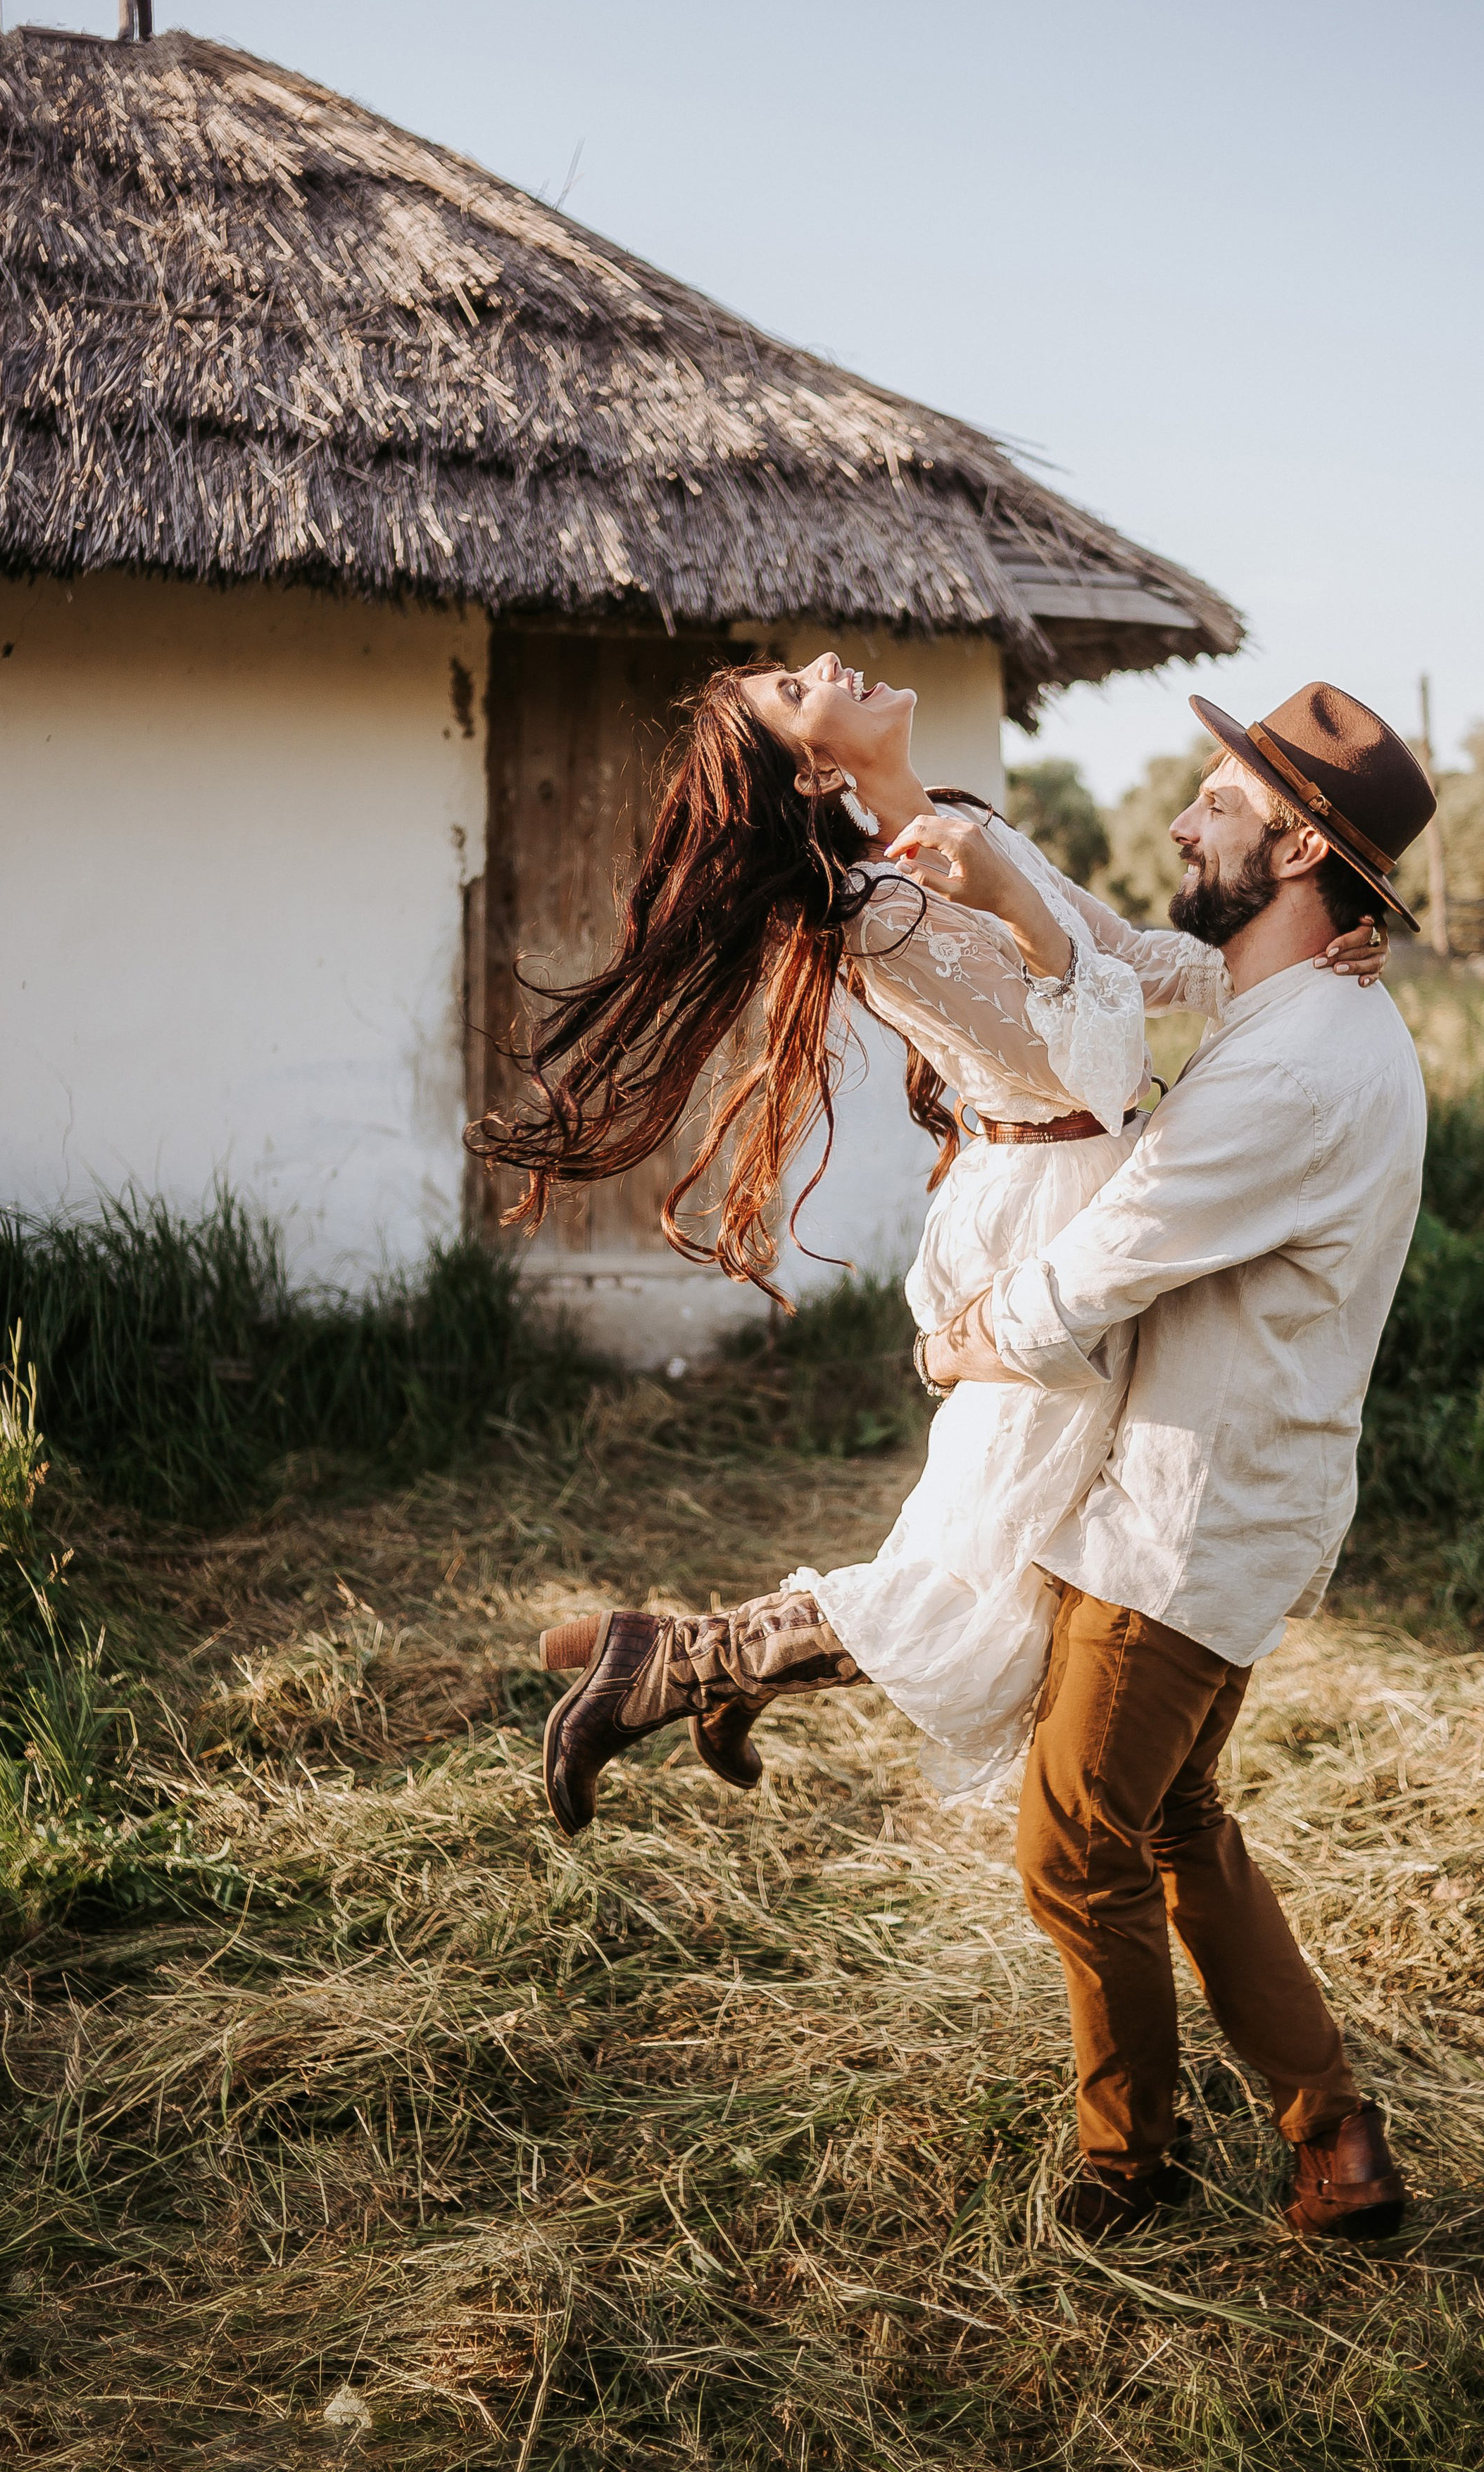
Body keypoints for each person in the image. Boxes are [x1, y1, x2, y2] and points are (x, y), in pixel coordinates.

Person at [537, 679, 1434, 2247]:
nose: (1177, 818)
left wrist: (958, 1343)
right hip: (1215, 1482)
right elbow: (1128, 1002)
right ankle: (1332, 2138)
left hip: (1184, 1510)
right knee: (1171, 1823)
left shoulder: (1293, 1062)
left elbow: (1111, 1255)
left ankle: (1127, 2166)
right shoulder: (1301, 1012)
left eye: (1213, 804)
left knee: (1072, 1835)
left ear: (1295, 845)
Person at [476, 654, 1388, 1800]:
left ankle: (716, 1667)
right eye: (794, 693)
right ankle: (674, 1665)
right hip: (1049, 1209)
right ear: (811, 775)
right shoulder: (883, 915)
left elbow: (1137, 963)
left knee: (995, 1555)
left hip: (1080, 1185)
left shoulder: (953, 824)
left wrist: (1314, 952)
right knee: (979, 1566)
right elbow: (1093, 1071)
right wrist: (1013, 904)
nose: (823, 664)